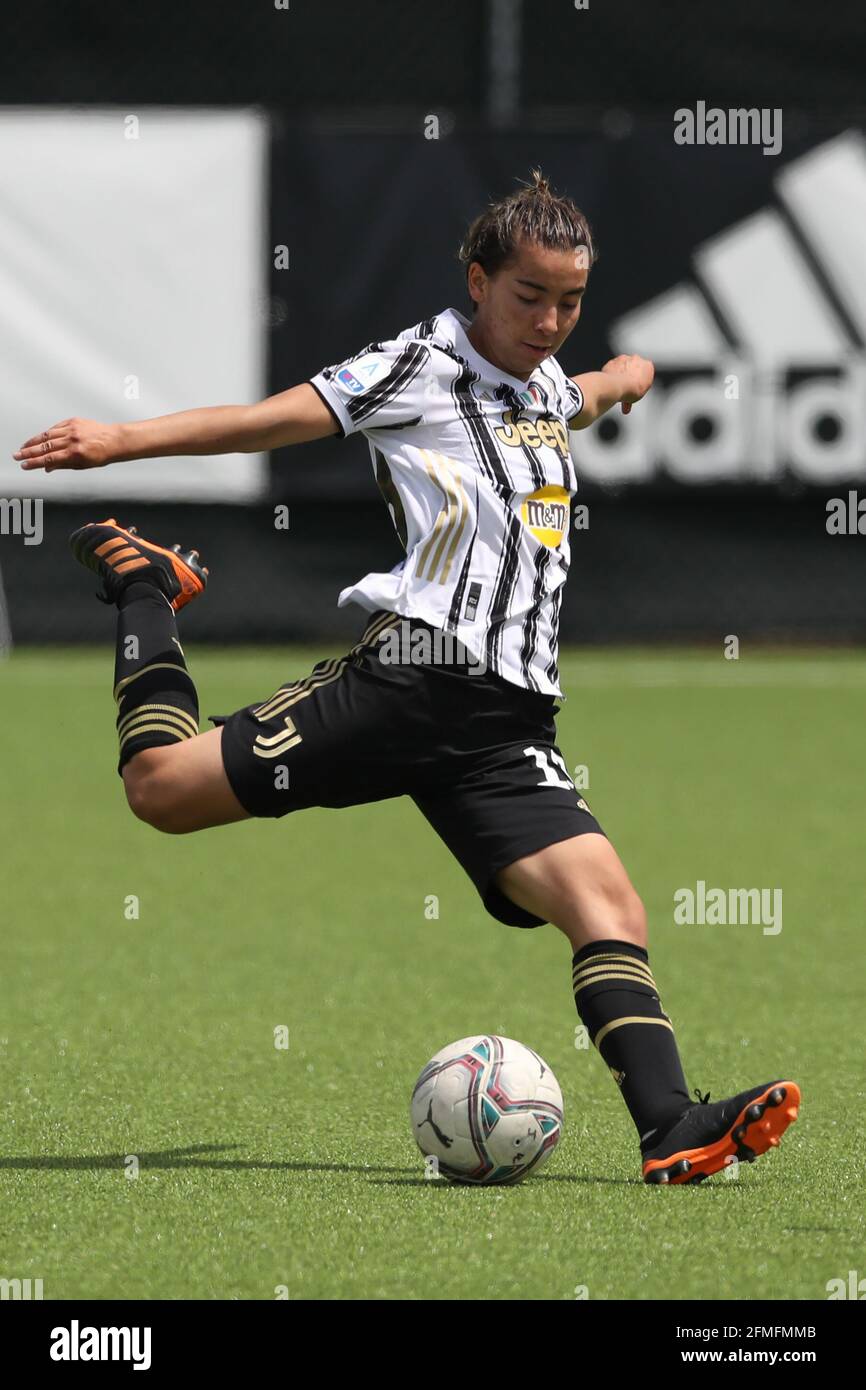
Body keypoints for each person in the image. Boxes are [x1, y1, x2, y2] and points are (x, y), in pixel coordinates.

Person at [15, 170, 799, 1183]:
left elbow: (584, 397)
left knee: (610, 910)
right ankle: (145, 589)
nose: (550, 320)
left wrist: (625, 375)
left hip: (506, 722)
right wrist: (121, 440)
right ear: (477, 281)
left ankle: (669, 1126)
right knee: (160, 789)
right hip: (412, 679)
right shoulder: (418, 363)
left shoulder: (546, 382)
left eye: (569, 301)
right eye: (529, 297)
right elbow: (272, 419)